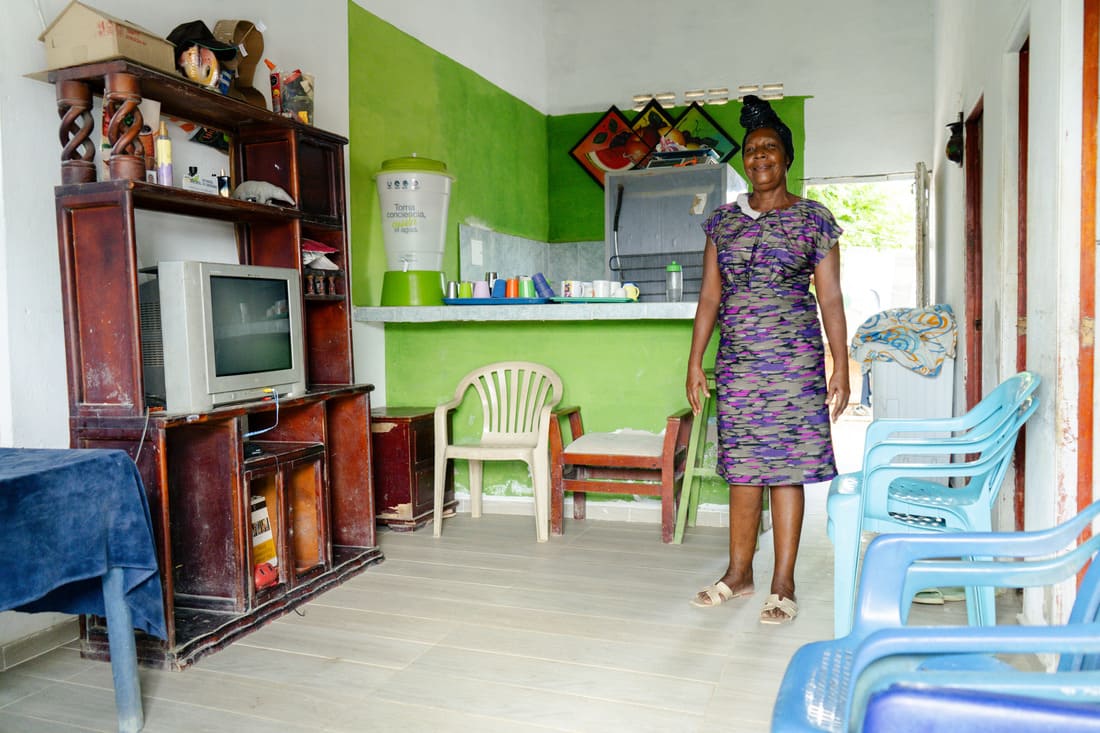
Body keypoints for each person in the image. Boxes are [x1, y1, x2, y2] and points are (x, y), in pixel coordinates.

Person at [685, 95, 849, 624]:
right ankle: (739, 573)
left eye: (770, 147)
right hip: (738, 362)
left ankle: (783, 582)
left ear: (786, 157)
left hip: (795, 363)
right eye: (752, 149)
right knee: (743, 469)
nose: (759, 155)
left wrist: (841, 365)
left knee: (786, 467)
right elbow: (709, 297)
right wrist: (695, 362)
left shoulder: (814, 219)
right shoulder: (722, 223)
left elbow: (831, 298)